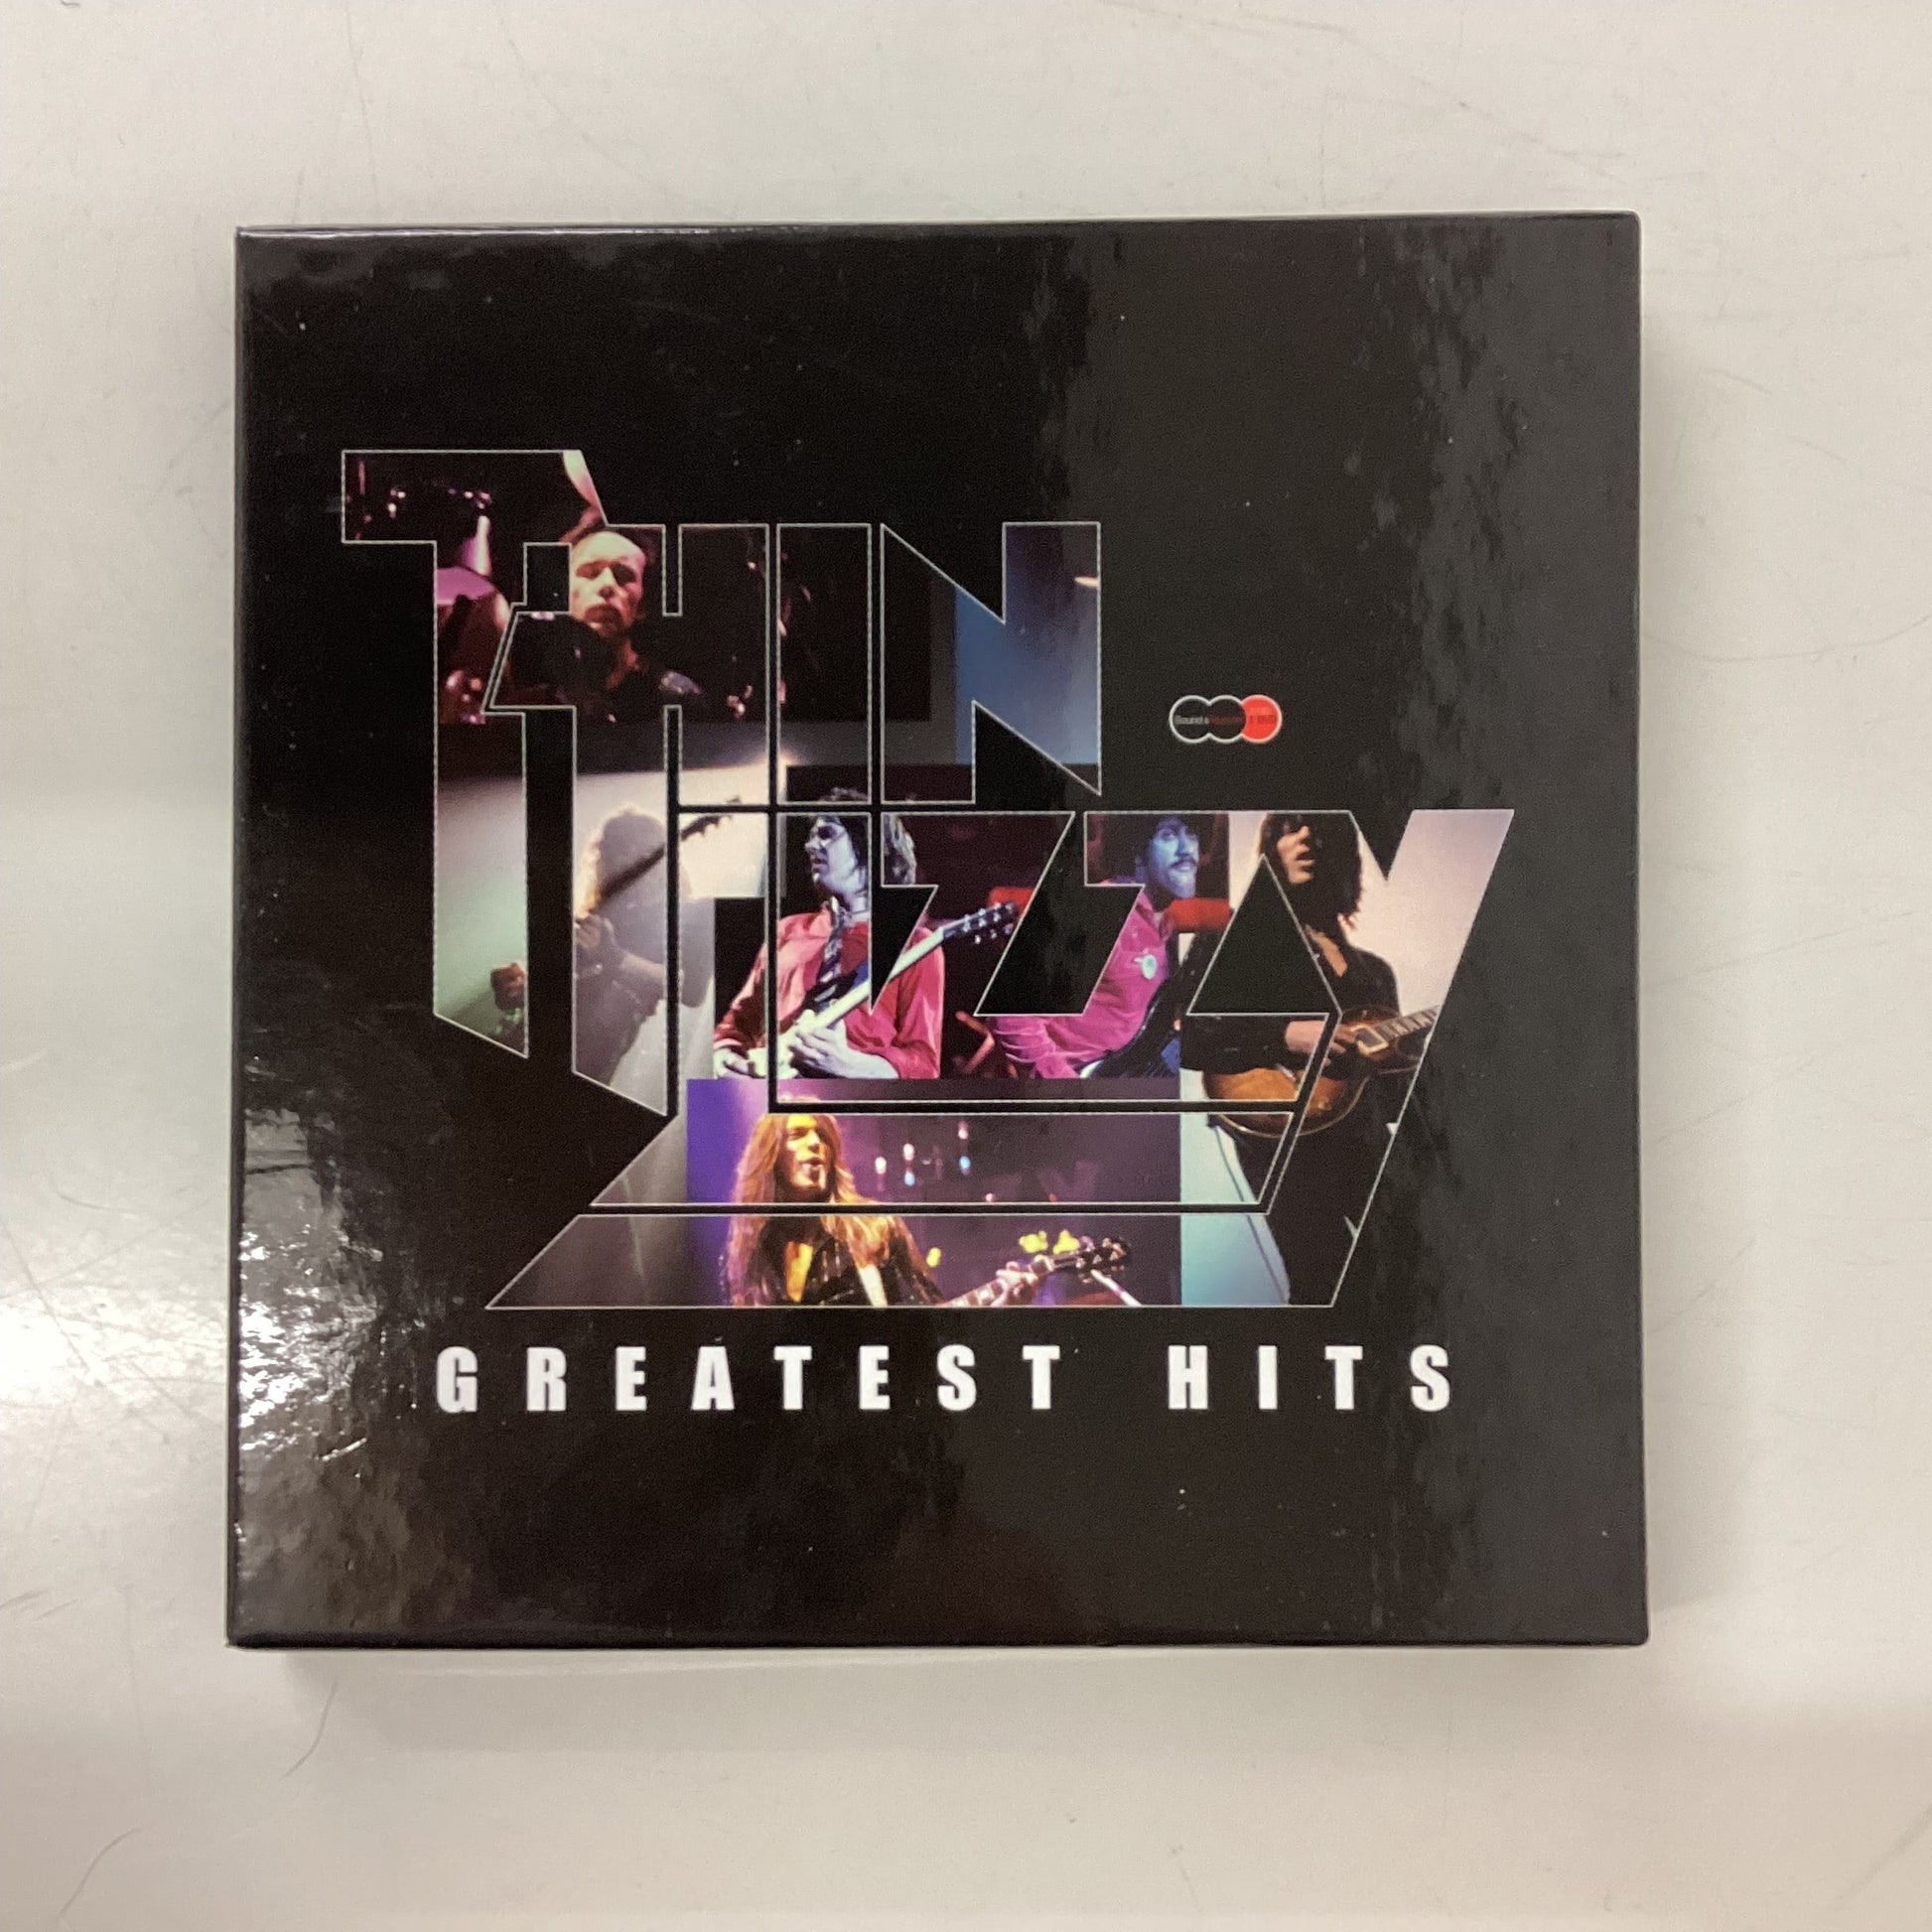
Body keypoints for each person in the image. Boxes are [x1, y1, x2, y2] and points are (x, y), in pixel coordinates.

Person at [1240, 812, 1405, 1305]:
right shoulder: (1247, 951)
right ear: (1271, 849)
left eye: (1320, 828)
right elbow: (1204, 1035)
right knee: (1323, 1282)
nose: (1307, 837)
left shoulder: (1375, 973)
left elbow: (1391, 1091)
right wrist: (1286, 1036)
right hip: (1284, 1141)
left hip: (1361, 1134)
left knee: (1402, 1268)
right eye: (1290, 827)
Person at [713, 793, 942, 1079]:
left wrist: (848, 1064)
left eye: (826, 834)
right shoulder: (787, 930)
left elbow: (923, 1063)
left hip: (853, 1101)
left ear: (868, 844)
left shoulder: (916, 944)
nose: (809, 845)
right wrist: (723, 1058)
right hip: (771, 1097)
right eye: (811, 836)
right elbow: (735, 1026)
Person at [985, 813, 1207, 1079]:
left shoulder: (1163, 924)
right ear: (1136, 849)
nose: (1187, 850)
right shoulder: (1094, 910)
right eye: (1168, 835)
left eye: (1191, 834)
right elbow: (1011, 1016)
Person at [724, 1114, 937, 1306]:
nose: (815, 1143)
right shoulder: (750, 1252)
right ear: (772, 1155)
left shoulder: (873, 1225)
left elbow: (929, 1311)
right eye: (798, 1134)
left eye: (823, 1136)